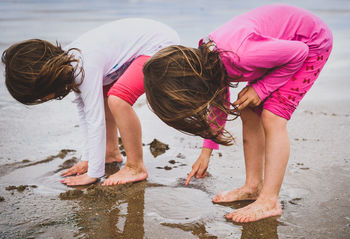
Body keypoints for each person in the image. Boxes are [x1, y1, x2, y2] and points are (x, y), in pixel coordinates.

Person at [143, 4, 332, 222]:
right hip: (276, 46)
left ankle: (269, 200)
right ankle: (253, 186)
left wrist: (261, 89)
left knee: (273, 116)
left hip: (312, 43)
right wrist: (206, 152)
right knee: (248, 108)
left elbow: (299, 52)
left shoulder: (240, 55)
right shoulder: (209, 60)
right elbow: (219, 100)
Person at [2, 18, 180, 186]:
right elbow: (84, 111)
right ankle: (109, 153)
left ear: (45, 79)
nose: (42, 100)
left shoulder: (84, 65)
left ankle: (136, 167)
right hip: (144, 47)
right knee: (105, 96)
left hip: (160, 46)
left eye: (39, 96)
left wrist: (94, 173)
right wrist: (88, 159)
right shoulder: (71, 65)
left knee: (118, 99)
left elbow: (95, 121)